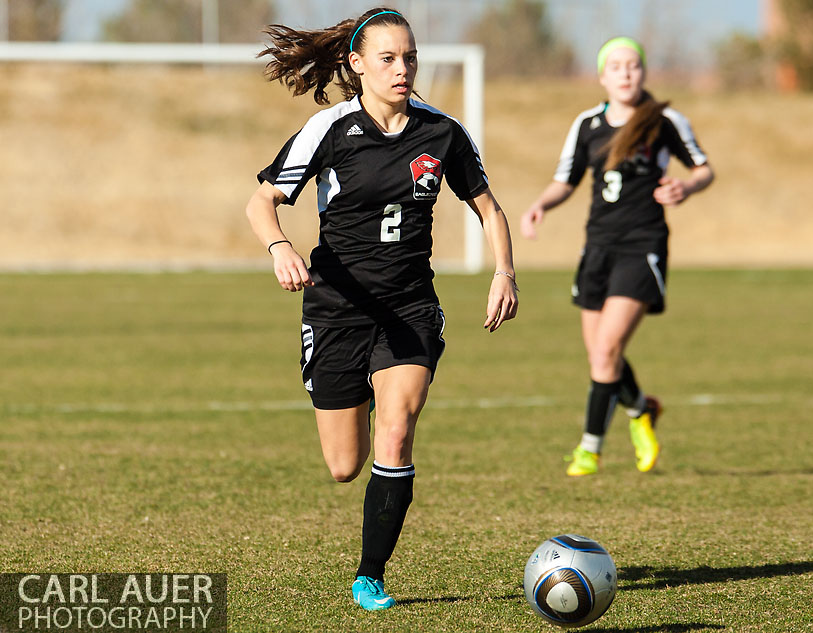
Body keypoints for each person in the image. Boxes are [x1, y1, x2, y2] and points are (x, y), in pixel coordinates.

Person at [245, 8, 518, 611]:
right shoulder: (330, 130)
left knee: (397, 431)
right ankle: (358, 387)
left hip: (410, 306)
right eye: (389, 58)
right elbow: (261, 202)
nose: (403, 69)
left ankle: (371, 575)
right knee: (345, 465)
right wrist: (280, 247)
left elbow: (489, 208)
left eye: (411, 57)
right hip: (337, 308)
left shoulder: (442, 133)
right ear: (357, 64)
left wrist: (504, 270)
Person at [521, 37, 713, 477]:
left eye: (634, 65)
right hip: (597, 248)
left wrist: (687, 186)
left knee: (607, 348)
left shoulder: (664, 120)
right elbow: (565, 179)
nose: (626, 73)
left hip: (642, 247)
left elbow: (705, 168)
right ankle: (642, 409)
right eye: (617, 66)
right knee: (601, 357)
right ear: (603, 76)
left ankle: (590, 448)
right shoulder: (587, 125)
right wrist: (541, 205)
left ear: (643, 73)